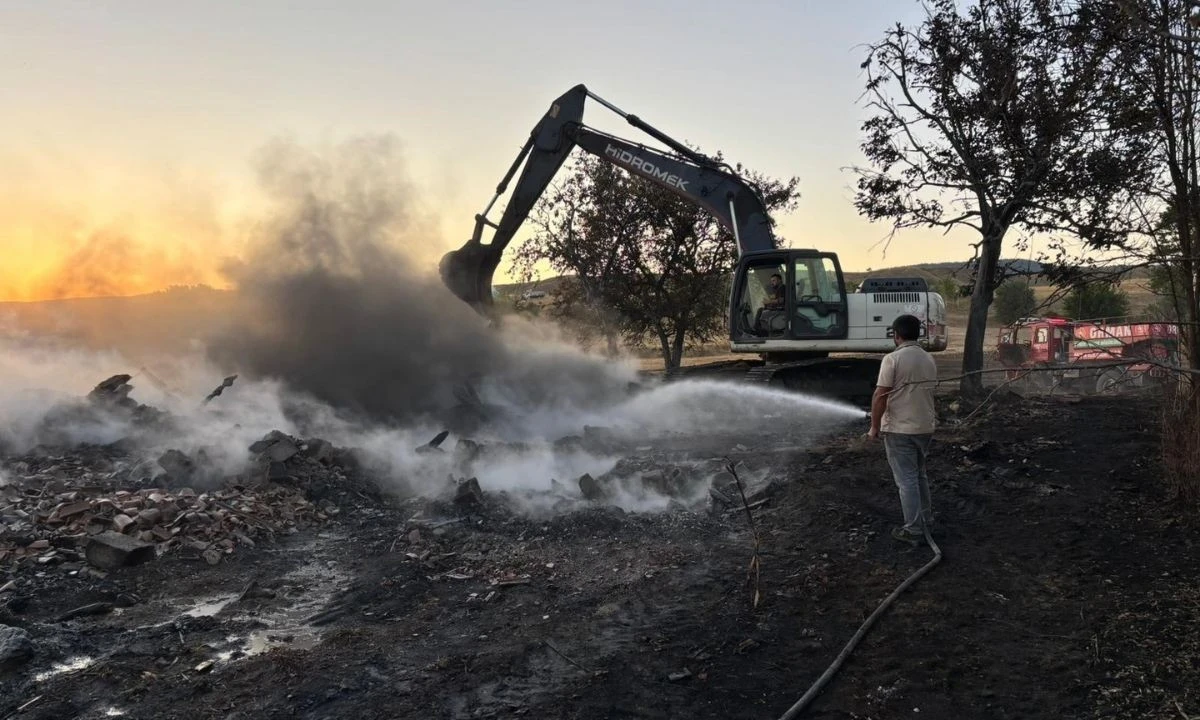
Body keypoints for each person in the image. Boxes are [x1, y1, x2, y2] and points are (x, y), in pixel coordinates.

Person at [868, 314, 938, 545]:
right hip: (925, 426)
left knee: (906, 480)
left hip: (900, 429)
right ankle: (926, 520)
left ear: (896, 335)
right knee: (919, 475)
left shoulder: (892, 359)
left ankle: (913, 529)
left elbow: (880, 395)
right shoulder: (928, 358)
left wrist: (874, 427)